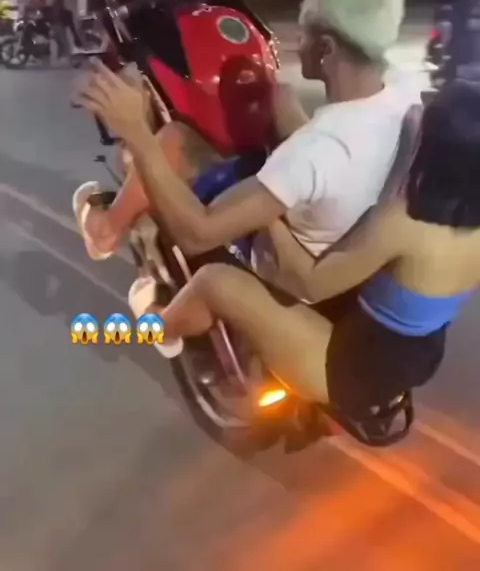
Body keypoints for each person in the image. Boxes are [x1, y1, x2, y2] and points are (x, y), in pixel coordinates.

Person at [128, 81, 479, 424]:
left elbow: (309, 283)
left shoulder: (403, 222)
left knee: (213, 282)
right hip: (419, 354)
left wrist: (271, 211)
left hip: (350, 366)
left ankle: (161, 327)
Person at [76, 0, 415, 305]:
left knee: (177, 141)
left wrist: (136, 131)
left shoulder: (316, 150)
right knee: (278, 98)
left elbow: (199, 233)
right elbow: (326, 156)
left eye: (305, 33)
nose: (298, 42)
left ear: (326, 49)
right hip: (341, 231)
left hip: (281, 259)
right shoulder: (401, 93)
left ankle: (107, 232)